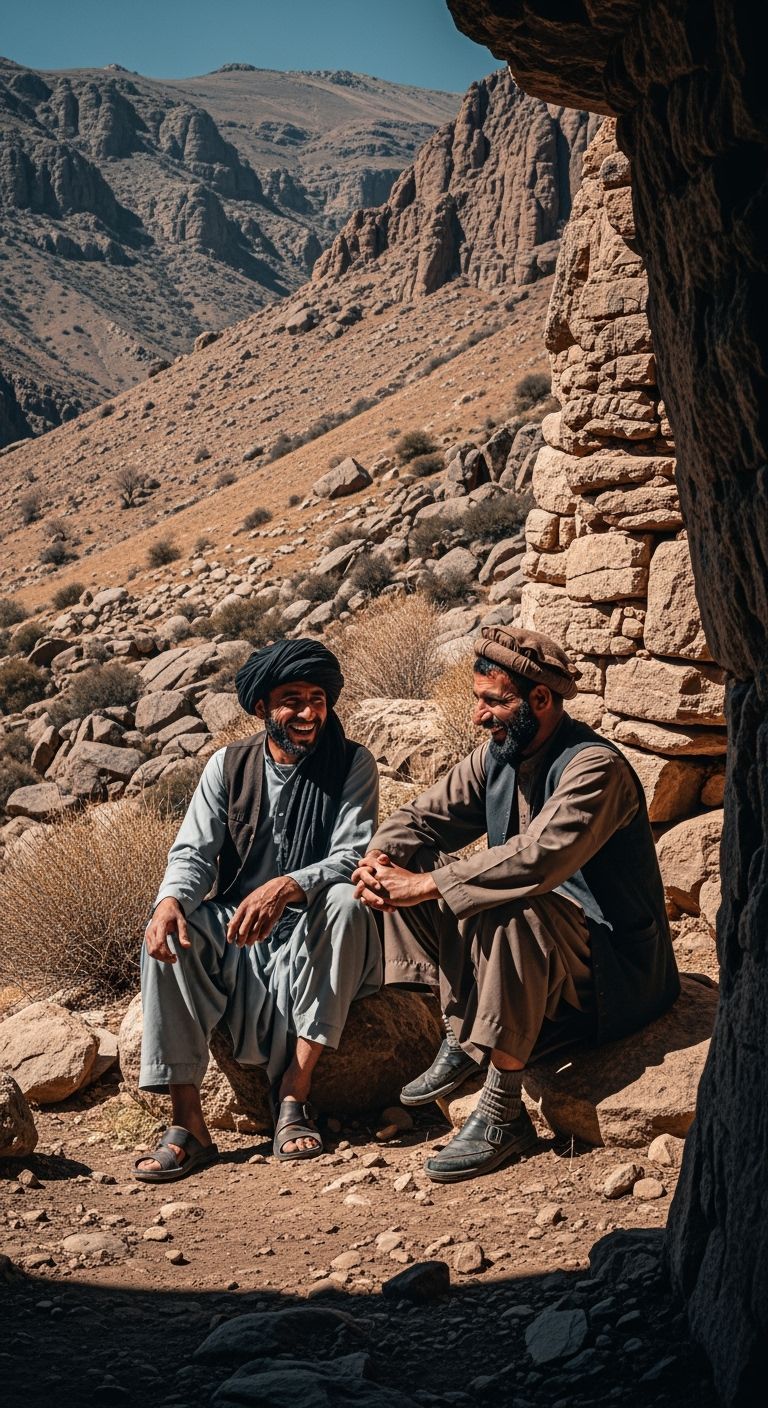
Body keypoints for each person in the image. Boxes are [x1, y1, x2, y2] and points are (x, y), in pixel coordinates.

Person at [353, 625, 679, 1184]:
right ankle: (466, 1031)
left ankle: (504, 1110)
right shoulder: (497, 756)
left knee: (506, 901)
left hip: (612, 970)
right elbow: (421, 817)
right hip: (543, 959)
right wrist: (381, 860)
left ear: (541, 700)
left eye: (493, 703)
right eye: (479, 700)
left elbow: (537, 859)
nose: (479, 716)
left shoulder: (593, 767)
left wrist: (422, 886)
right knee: (415, 874)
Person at [135, 638, 381, 1182]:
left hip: (311, 924)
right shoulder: (228, 767)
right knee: (170, 930)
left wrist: (288, 886)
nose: (309, 713)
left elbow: (351, 856)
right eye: (292, 699)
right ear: (261, 708)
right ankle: (189, 1126)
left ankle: (294, 1095)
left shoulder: (352, 763)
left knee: (349, 899)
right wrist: (170, 900)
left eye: (318, 698)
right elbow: (193, 853)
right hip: (238, 927)